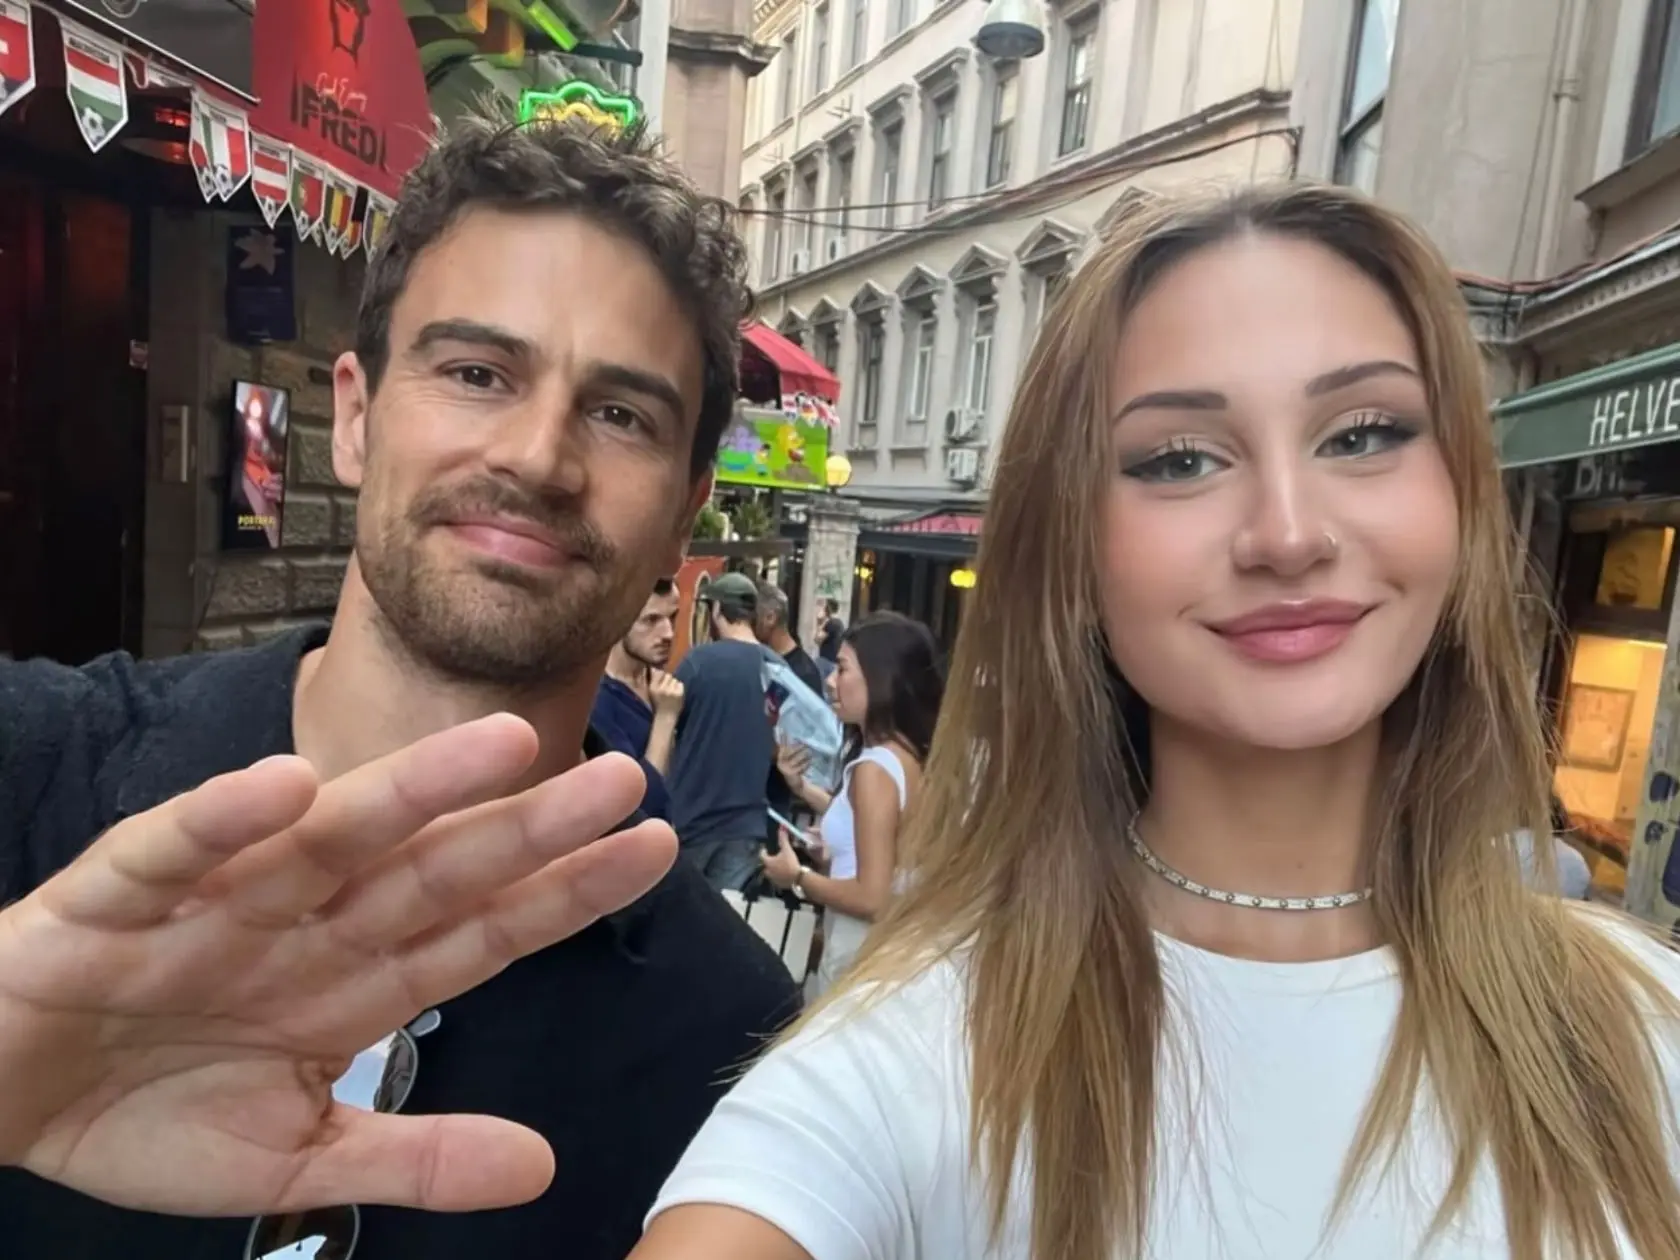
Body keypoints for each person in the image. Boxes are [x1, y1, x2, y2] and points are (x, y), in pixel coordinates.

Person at [634, 184, 1680, 1260]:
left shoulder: (1641, 1030)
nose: (1286, 531)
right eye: (1180, 459)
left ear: (1460, 493)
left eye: (1365, 434)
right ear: (1074, 550)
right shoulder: (911, 1055)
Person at [0, 115, 799, 1260]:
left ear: (685, 507)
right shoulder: (28, 767)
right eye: (477, 372)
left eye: (621, 414)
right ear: (358, 417)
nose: (536, 455)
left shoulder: (736, 1040)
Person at [765, 612, 943, 991]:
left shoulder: (874, 769)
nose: (830, 681)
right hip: (892, 958)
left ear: (881, 679)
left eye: (842, 669)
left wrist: (797, 877)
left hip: (856, 957)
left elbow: (873, 896)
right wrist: (804, 791)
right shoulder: (911, 756)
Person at [666, 572, 778, 891]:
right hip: (746, 825)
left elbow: (667, 723)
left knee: (679, 922)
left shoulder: (698, 662)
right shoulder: (776, 669)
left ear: (716, 610)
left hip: (691, 820)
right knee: (723, 925)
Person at [592, 577, 686, 818]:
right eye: (651, 620)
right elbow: (640, 802)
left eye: (672, 617)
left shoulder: (660, 685)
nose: (668, 633)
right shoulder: (596, 700)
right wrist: (665, 718)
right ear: (619, 621)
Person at [815, 596, 844, 664]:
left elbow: (817, 640)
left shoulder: (832, 623)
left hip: (826, 661)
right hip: (832, 661)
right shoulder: (839, 623)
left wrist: (819, 624)